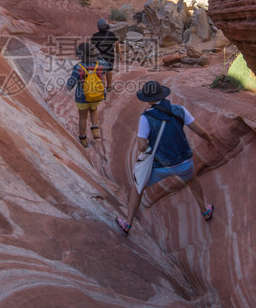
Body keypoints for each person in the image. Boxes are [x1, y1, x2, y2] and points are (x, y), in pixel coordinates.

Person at [116, 79, 215, 235]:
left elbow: (142, 146)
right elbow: (201, 132)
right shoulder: (180, 110)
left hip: (159, 166)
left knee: (138, 188)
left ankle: (127, 224)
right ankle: (205, 211)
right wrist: (210, 141)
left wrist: (151, 150)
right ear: (162, 94)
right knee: (192, 179)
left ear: (148, 99)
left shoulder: (146, 117)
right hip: (184, 161)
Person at [66, 42, 107, 147]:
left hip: (82, 96)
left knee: (83, 117)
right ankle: (95, 129)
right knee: (94, 110)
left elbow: (71, 82)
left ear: (80, 55)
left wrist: (68, 87)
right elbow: (107, 65)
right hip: (97, 94)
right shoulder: (101, 64)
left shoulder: (78, 67)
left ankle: (83, 138)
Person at [91, 18, 121, 93]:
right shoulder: (111, 34)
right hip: (110, 57)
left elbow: (92, 48)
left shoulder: (95, 36)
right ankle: (109, 87)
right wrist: (119, 54)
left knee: (101, 72)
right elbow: (117, 45)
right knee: (109, 71)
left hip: (99, 57)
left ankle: (101, 88)